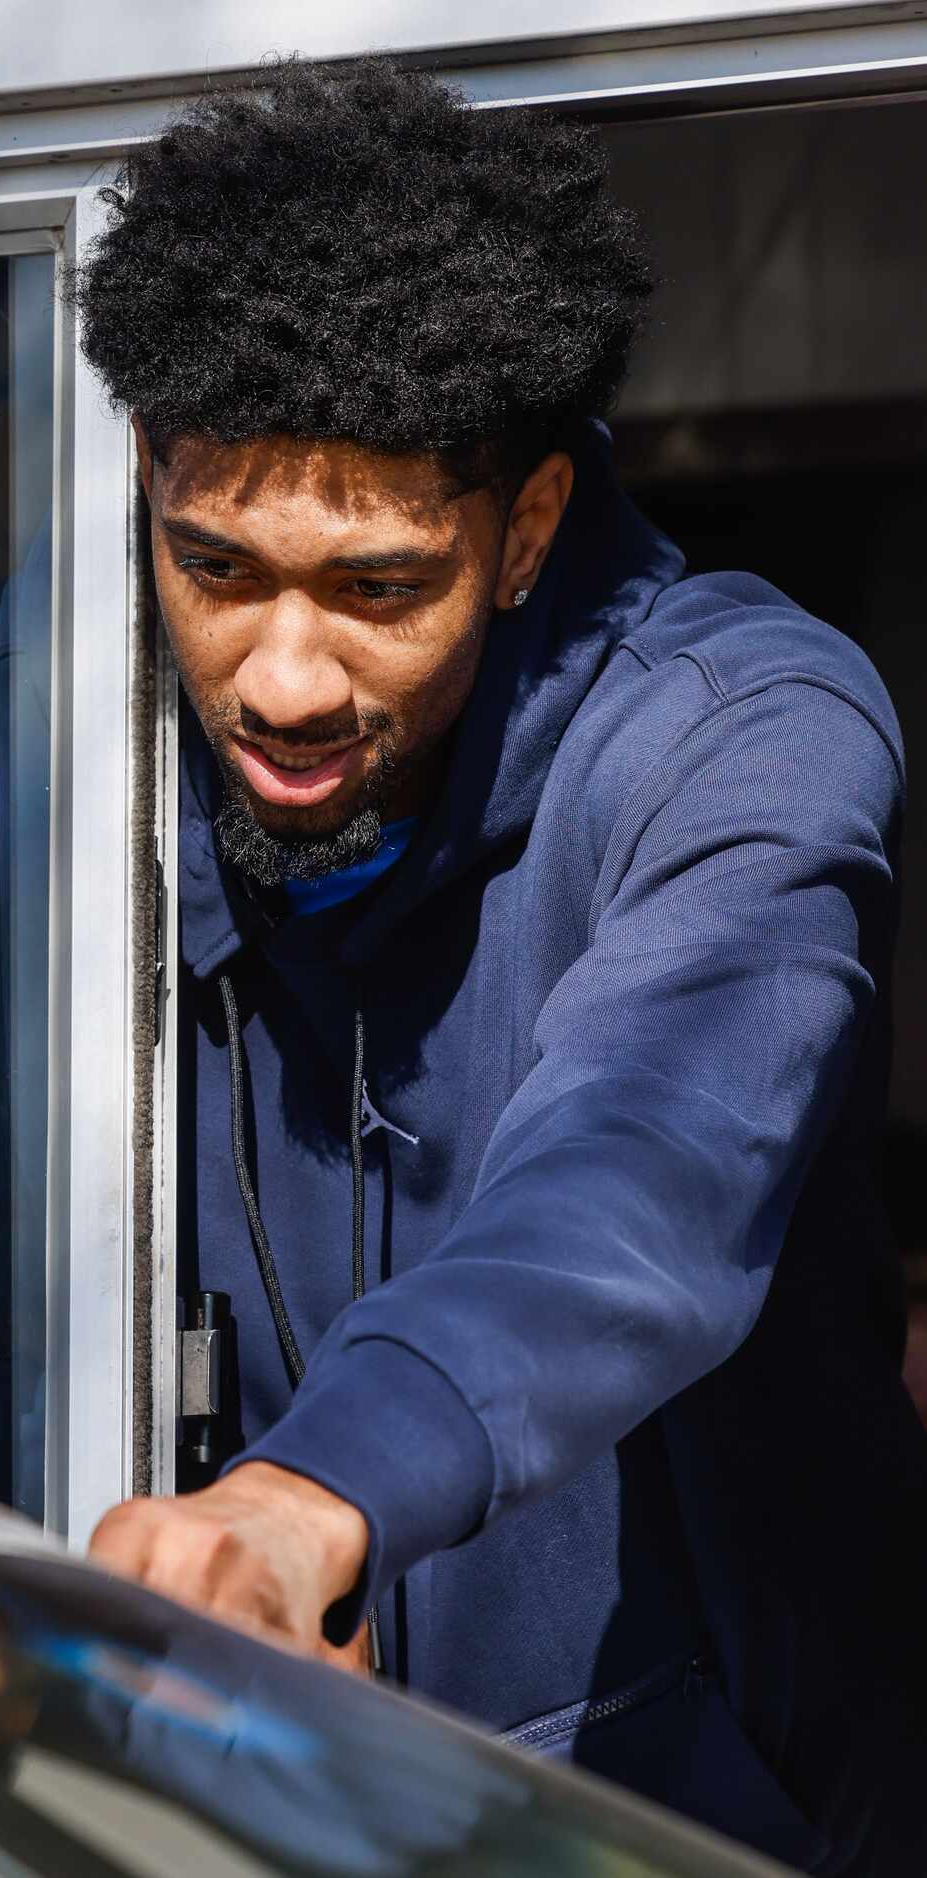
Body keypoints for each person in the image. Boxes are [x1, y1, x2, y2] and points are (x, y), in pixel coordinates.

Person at [71, 60, 927, 1873]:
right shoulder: (71, 730)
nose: (280, 676)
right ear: (147, 479)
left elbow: (646, 1161)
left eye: (376, 587)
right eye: (216, 563)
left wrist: (323, 1491)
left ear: (528, 528)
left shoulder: (747, 729)